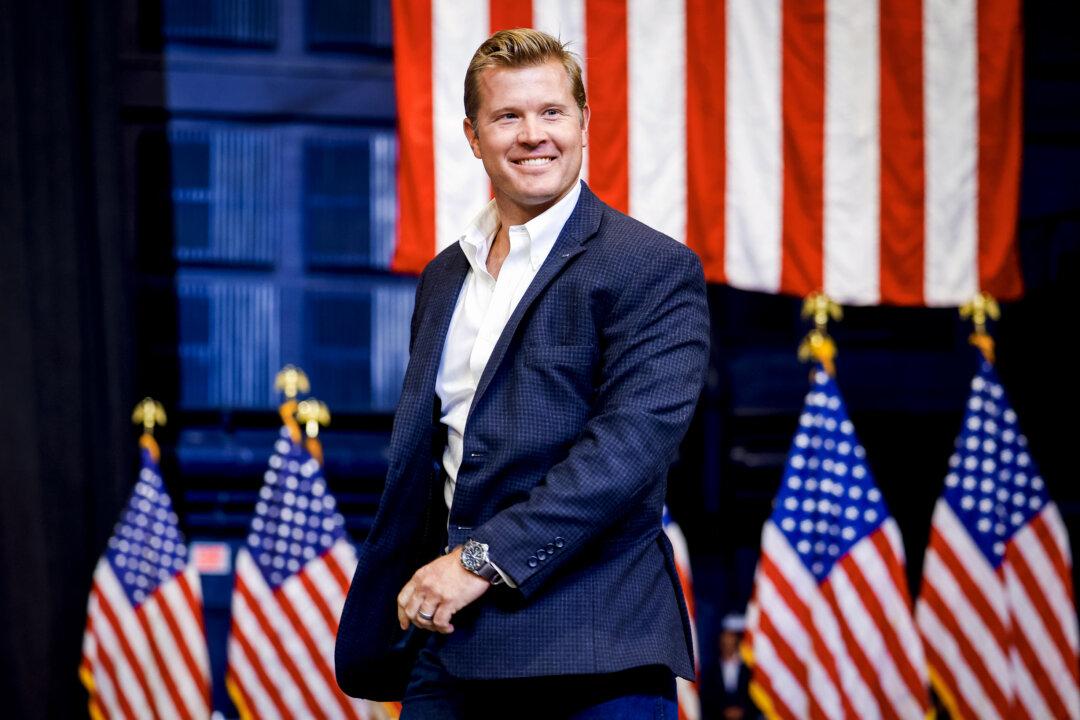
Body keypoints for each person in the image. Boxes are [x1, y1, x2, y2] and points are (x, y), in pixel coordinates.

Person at [335, 28, 710, 718]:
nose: (533, 135)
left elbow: (625, 453)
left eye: (551, 113)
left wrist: (477, 561)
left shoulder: (651, 268)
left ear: (584, 124)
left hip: (592, 651)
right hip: (447, 650)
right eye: (508, 116)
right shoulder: (445, 275)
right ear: (474, 137)